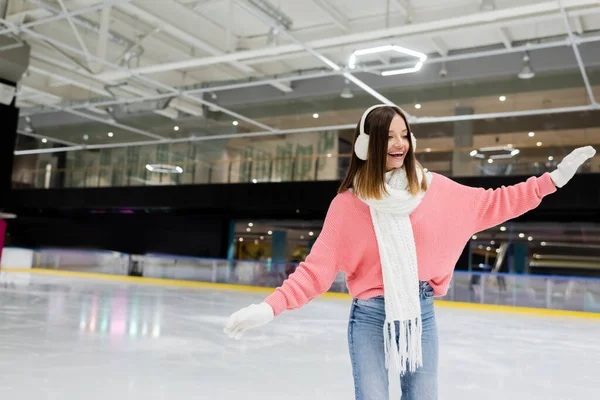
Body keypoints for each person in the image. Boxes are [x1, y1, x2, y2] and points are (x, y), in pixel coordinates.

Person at [224, 104, 596, 399]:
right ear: (367, 145)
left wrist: (551, 181)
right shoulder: (348, 206)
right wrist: (268, 307)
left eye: (405, 134)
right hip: (369, 318)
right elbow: (315, 270)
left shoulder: (437, 191)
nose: (400, 143)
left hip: (421, 314)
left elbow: (497, 202)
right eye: (389, 136)